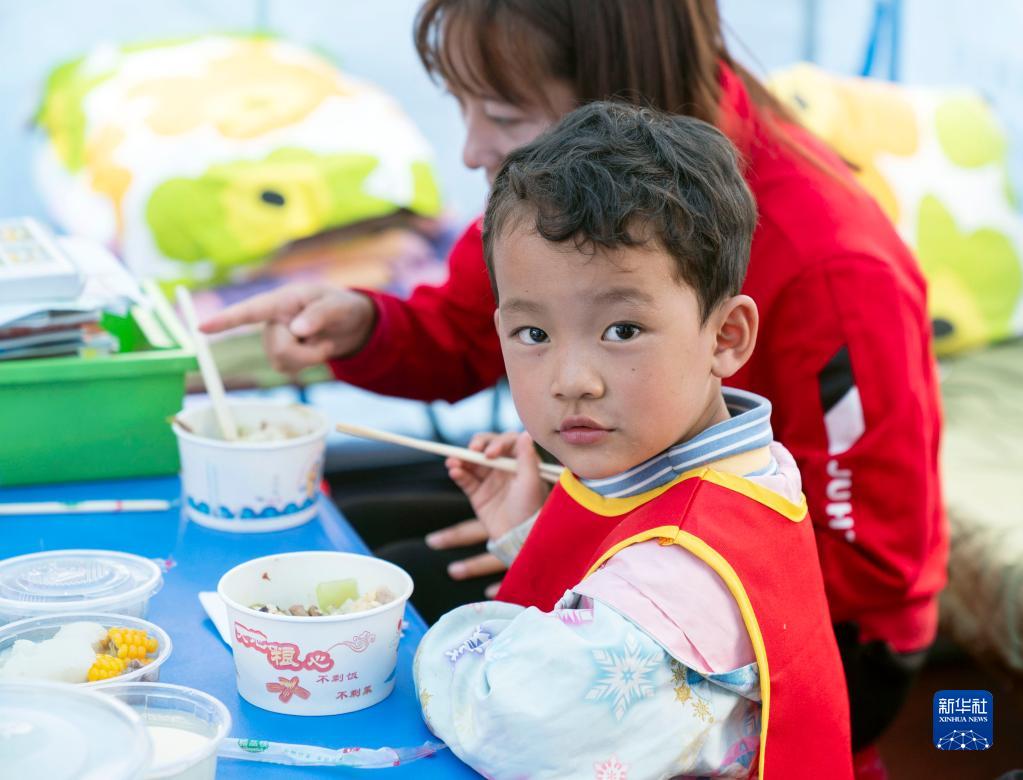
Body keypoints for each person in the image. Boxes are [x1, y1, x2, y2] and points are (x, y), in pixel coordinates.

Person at [201, 0, 946, 766]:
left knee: (398, 598)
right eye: (458, 107)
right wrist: (369, 325)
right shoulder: (568, 196)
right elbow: (468, 326)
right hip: (625, 508)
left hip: (822, 629)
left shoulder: (832, 262)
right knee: (359, 536)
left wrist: (595, 564)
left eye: (499, 112)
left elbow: (865, 561)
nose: (467, 150)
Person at [414, 100, 853, 779]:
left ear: (725, 336)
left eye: (621, 330)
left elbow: (513, 723)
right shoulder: (734, 459)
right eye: (532, 334)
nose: (571, 380)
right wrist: (529, 535)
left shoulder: (684, 571)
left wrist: (403, 643)